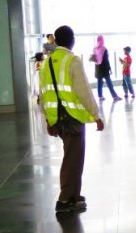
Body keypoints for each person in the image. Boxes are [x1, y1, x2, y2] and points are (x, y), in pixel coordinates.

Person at [39, 25, 105, 214]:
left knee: (72, 155)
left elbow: (43, 95)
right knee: (73, 158)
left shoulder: (47, 63)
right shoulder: (72, 60)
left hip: (57, 118)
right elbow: (83, 91)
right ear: (72, 40)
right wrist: (96, 116)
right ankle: (65, 199)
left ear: (57, 41)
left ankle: (74, 195)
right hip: (72, 118)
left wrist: (48, 121)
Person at [89, 35, 121, 101]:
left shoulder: (95, 48)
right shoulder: (104, 49)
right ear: (102, 40)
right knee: (109, 83)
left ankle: (100, 96)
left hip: (97, 68)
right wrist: (109, 68)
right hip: (104, 68)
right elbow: (106, 60)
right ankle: (115, 96)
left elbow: (94, 58)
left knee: (99, 83)